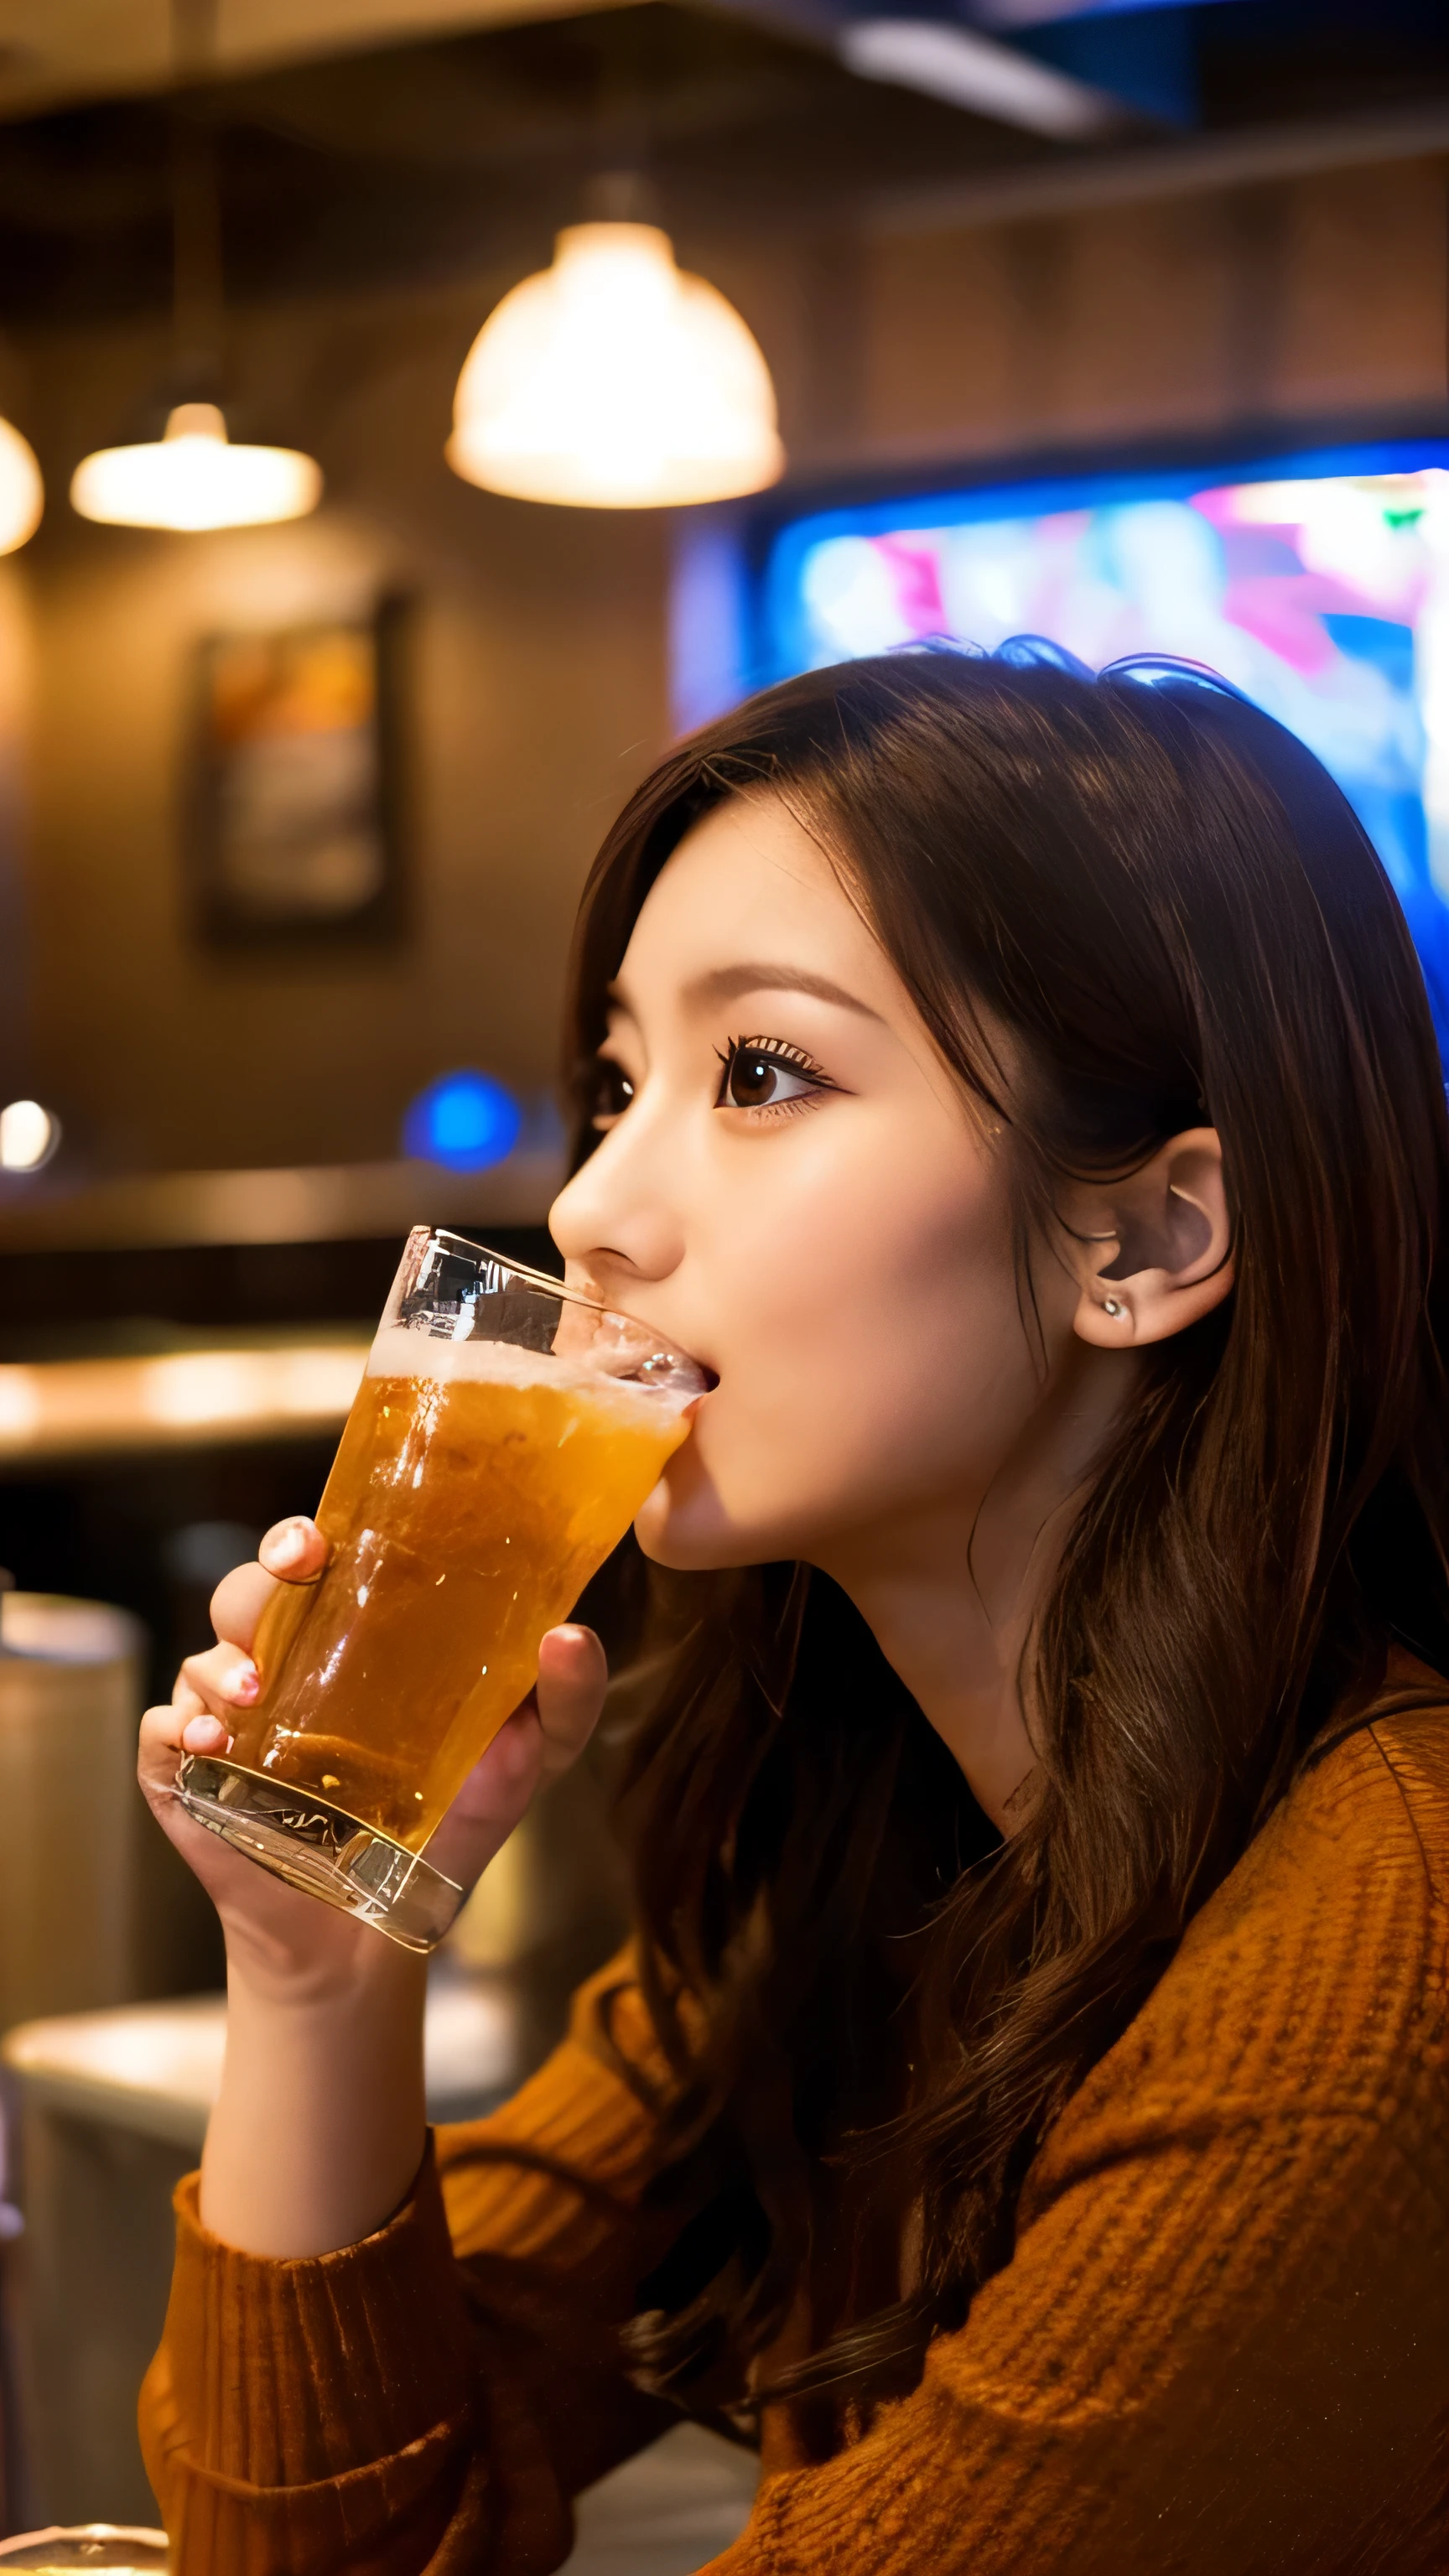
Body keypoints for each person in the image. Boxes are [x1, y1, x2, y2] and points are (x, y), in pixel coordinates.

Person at [137, 645, 1449, 2576]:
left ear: (1151, 1240)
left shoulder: (1373, 1973)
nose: (588, 1206)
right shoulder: (856, 1841)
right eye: (615, 1079)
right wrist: (321, 1956)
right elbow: (327, 2548)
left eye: (763, 1071)